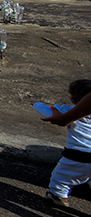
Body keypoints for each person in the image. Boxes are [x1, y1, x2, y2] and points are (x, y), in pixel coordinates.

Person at [38, 78, 91, 207]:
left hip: (78, 155)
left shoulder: (70, 111)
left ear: (73, 99)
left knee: (61, 176)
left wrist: (35, 103)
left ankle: (58, 195)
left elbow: (48, 111)